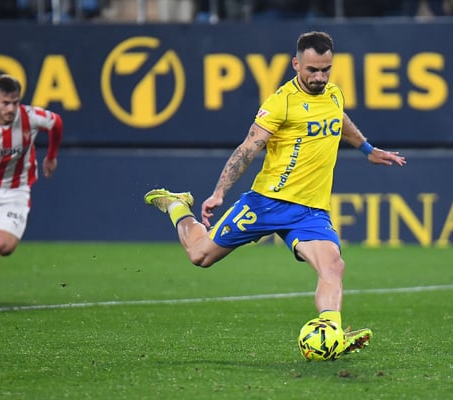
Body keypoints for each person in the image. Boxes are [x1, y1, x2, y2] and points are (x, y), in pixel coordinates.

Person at [144, 31, 406, 357]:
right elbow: (247, 149)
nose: (319, 77)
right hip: (267, 203)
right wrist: (219, 192)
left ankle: (331, 332)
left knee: (333, 266)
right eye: (312, 70)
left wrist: (367, 148)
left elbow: (338, 118)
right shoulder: (281, 102)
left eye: (326, 69)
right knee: (200, 256)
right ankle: (177, 205)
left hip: (310, 212)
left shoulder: (334, 93)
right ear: (296, 64)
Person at [0, 74, 63, 271]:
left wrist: (51, 156)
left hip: (16, 188)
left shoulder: (29, 117)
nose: (11, 109)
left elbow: (56, 123)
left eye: (15, 103)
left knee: (6, 247)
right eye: (5, 103)